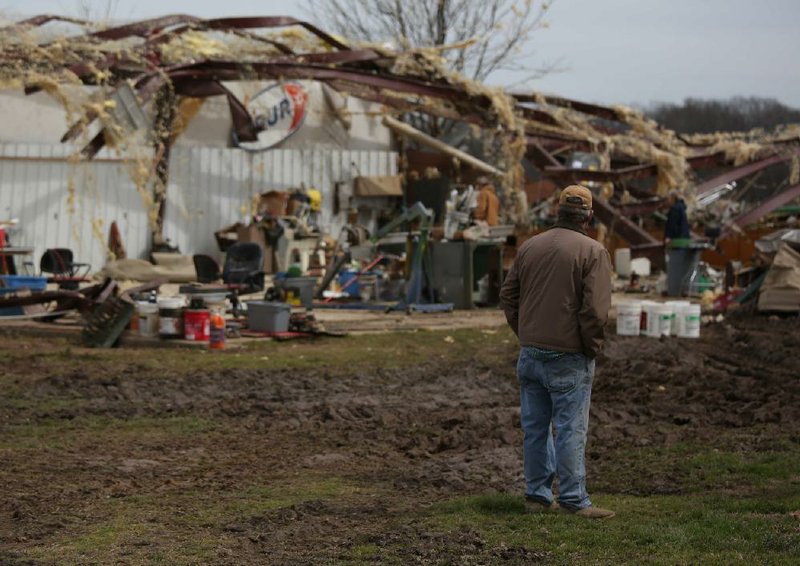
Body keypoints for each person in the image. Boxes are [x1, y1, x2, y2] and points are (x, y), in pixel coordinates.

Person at [499, 184, 614, 519]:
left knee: (535, 429)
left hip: (531, 354)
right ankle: (574, 501)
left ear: (557, 212)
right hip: (569, 356)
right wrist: (590, 348)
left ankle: (536, 496)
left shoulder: (529, 247)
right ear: (589, 216)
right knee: (569, 428)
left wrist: (526, 332)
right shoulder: (593, 252)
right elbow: (594, 312)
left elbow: (508, 296)